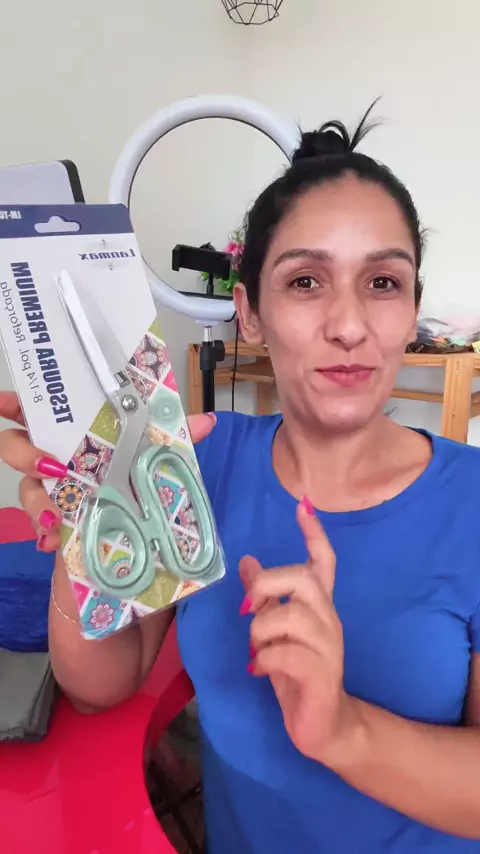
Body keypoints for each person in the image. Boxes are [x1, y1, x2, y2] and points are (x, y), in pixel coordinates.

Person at [1, 103, 480, 854]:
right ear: (248, 312)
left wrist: (344, 730)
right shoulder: (201, 459)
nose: (349, 324)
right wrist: (82, 536)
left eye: (383, 282)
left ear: (413, 306)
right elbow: (104, 683)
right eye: (306, 281)